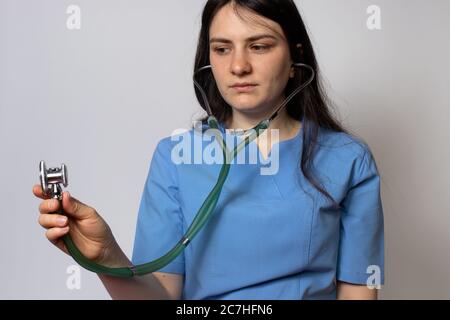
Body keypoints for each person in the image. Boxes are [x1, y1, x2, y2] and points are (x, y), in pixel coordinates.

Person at [33, 0, 384, 300]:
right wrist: (107, 257)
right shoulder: (174, 157)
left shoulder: (348, 159)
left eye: (259, 46)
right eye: (222, 48)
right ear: (209, 59)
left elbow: (359, 290)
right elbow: (162, 293)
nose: (238, 66)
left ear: (296, 56)